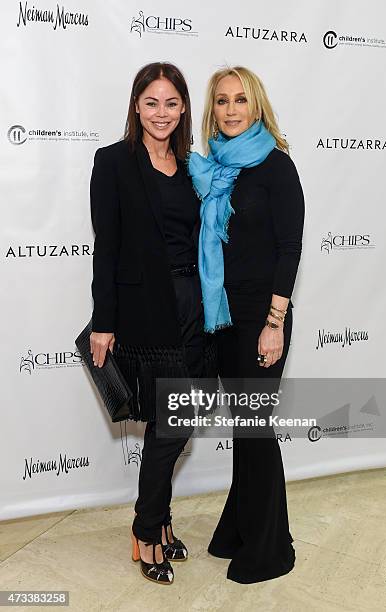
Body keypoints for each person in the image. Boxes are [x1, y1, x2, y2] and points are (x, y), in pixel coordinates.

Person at [89, 62, 215, 585]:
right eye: (151, 103)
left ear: (183, 107)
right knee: (171, 426)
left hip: (195, 309)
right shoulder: (113, 162)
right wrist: (103, 321)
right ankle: (146, 530)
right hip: (145, 313)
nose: (160, 113)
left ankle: (158, 522)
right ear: (136, 106)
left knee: (177, 422)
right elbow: (107, 249)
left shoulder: (195, 166)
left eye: (170, 103)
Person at [188, 66, 305, 584]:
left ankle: (272, 549)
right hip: (227, 322)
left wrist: (274, 322)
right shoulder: (216, 170)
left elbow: (289, 249)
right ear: (212, 110)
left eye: (240, 100)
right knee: (246, 429)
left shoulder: (277, 167)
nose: (231, 110)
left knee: (256, 429)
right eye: (221, 101)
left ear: (256, 106)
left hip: (263, 319)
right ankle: (239, 529)